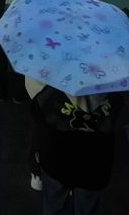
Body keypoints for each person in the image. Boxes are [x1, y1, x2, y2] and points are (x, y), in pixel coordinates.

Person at [26, 83, 117, 215]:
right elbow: (113, 120)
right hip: (95, 168)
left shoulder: (54, 93)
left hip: (57, 162)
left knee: (54, 203)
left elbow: (37, 110)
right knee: (86, 207)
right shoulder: (113, 94)